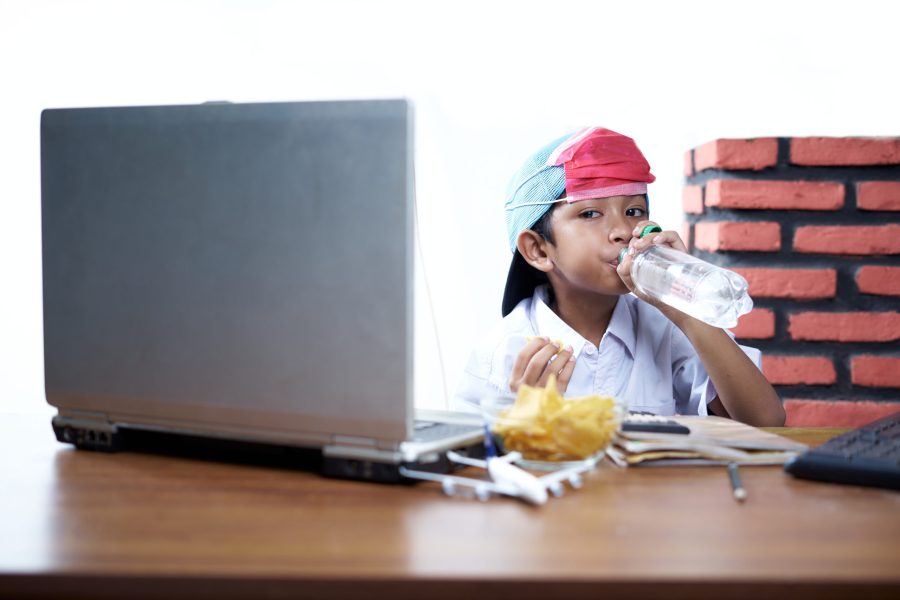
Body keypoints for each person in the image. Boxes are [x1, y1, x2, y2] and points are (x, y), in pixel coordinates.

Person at [453, 127, 785, 427]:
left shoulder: (666, 328)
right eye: (590, 213)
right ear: (538, 249)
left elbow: (765, 421)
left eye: (633, 211)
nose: (623, 231)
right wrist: (521, 420)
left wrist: (686, 307)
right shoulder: (504, 351)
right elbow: (471, 466)